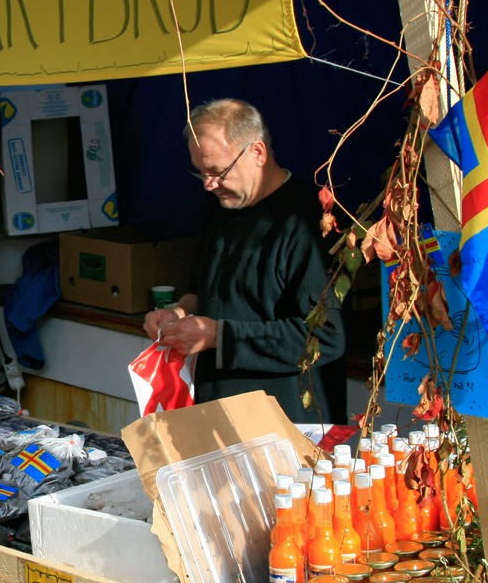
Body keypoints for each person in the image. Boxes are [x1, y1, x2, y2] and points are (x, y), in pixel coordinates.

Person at [143, 99, 345, 424]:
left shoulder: (309, 220)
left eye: (217, 171)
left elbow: (324, 338)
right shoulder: (222, 205)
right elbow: (207, 288)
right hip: (217, 411)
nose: (209, 183)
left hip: (288, 421)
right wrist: (179, 312)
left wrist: (216, 336)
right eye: (200, 172)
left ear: (258, 154)